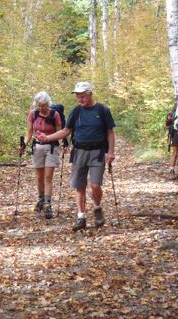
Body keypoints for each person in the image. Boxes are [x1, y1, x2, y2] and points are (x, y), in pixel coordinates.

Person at [35, 82, 115, 231]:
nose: (80, 99)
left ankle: (97, 208)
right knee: (79, 186)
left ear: (90, 94)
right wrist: (47, 138)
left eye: (83, 96)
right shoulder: (76, 111)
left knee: (95, 185)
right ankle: (81, 217)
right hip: (79, 151)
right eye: (78, 96)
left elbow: (110, 132)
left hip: (97, 152)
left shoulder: (102, 110)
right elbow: (66, 131)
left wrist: (110, 152)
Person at [19, 91, 62, 219]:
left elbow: (60, 132)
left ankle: (48, 205)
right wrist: (23, 145)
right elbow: (29, 132)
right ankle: (41, 199)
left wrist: (63, 145)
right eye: (38, 105)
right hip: (37, 147)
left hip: (52, 147)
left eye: (43, 105)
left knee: (48, 177)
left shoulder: (55, 114)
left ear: (48, 104)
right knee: (39, 177)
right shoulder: (33, 114)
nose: (41, 108)